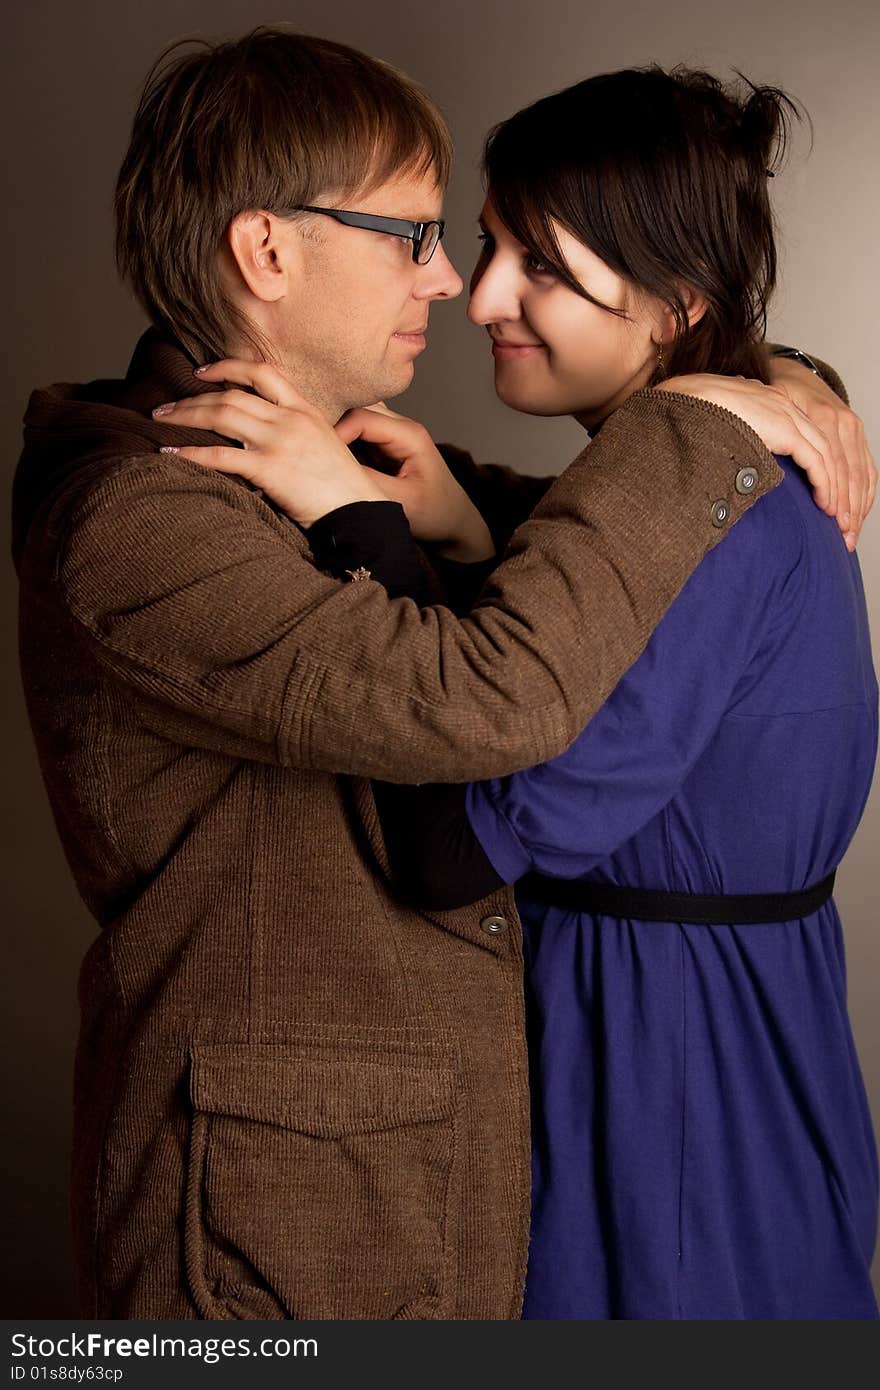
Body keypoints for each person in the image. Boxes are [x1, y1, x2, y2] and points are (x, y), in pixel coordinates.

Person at [12, 28, 871, 1320]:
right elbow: (476, 696)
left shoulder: (310, 463)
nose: (454, 283)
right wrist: (707, 410)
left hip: (586, 1133)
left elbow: (564, 591)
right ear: (267, 251)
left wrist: (755, 388)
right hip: (272, 1216)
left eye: (515, 254)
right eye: (415, 234)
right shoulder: (147, 512)